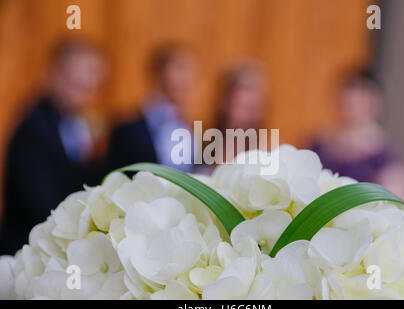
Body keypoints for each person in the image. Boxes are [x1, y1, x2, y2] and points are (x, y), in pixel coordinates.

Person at [0, 38, 107, 255]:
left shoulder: (74, 123)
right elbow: (40, 205)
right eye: (76, 86)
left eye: (91, 90)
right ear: (53, 74)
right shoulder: (34, 129)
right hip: (26, 249)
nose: (83, 99)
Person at [311, 69, 404, 204]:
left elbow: (398, 205)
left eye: (360, 99)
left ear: (375, 103)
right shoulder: (320, 143)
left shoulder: (384, 160)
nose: (351, 103)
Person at [107, 42, 196, 173]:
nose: (186, 78)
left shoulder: (191, 129)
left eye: (191, 70)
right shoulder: (127, 129)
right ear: (158, 73)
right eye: (179, 68)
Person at [210, 59, 268, 167]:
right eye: (240, 105)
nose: (247, 115)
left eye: (253, 107)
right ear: (224, 102)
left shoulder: (268, 154)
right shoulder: (201, 146)